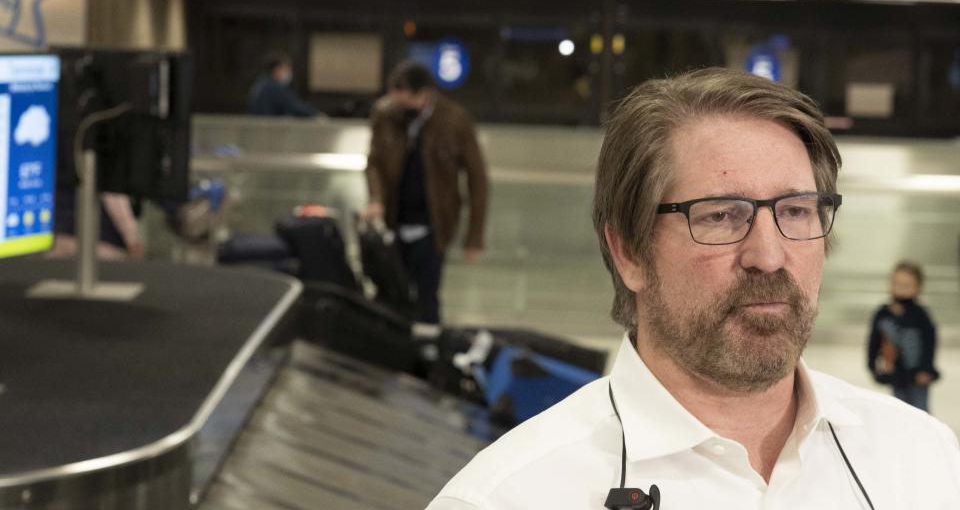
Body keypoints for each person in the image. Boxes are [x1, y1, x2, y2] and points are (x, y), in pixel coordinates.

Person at [427, 68, 960, 509]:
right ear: (629, 251)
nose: (769, 256)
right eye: (722, 216)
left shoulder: (923, 460)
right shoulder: (510, 496)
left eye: (796, 210)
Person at [364, 60, 488, 326]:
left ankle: (427, 352)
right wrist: (376, 199)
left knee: (427, 296)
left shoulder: (454, 120)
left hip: (434, 225)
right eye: (395, 101)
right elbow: (374, 163)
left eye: (406, 102)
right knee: (391, 294)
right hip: (394, 221)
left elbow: (478, 179)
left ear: (424, 94)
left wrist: (474, 236)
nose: (400, 108)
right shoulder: (384, 115)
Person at [867, 260, 940, 411]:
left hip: (918, 374)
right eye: (896, 283)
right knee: (898, 408)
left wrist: (926, 368)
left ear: (918, 288)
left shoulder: (921, 315)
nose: (900, 289)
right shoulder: (883, 314)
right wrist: (872, 364)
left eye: (906, 286)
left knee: (920, 410)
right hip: (896, 374)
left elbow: (930, 342)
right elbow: (873, 340)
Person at [246, 51, 317, 117]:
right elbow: (296, 107)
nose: (289, 72)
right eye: (286, 68)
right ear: (277, 69)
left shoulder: (261, 83)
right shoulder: (273, 87)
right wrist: (316, 114)